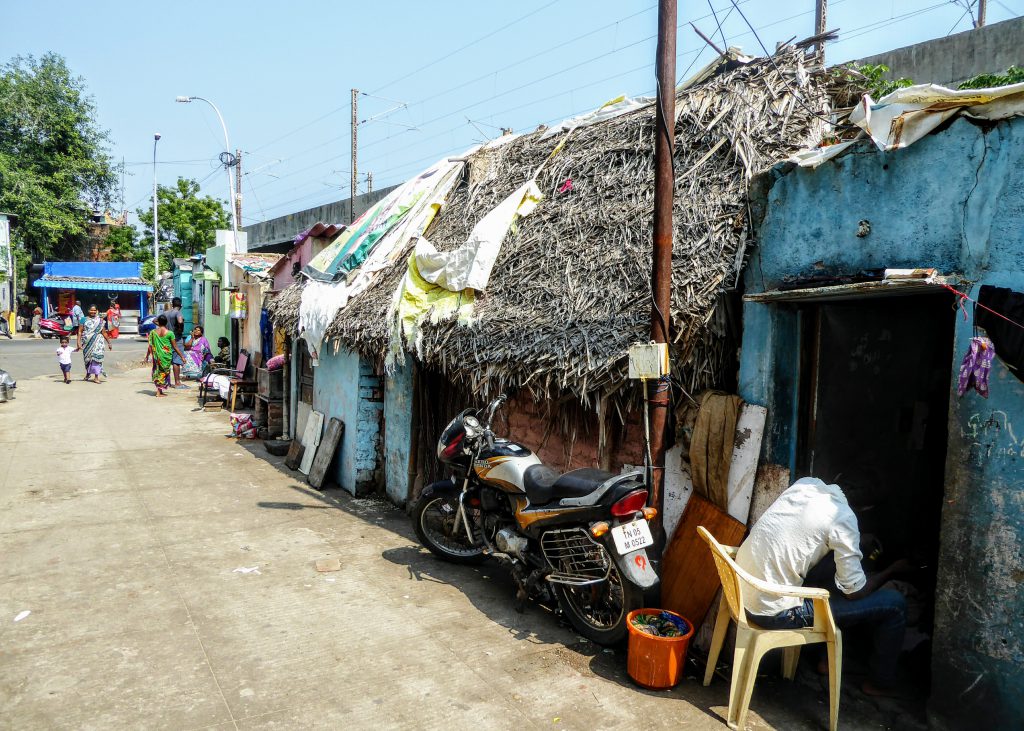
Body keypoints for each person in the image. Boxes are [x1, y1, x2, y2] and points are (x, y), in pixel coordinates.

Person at [736, 476, 911, 696]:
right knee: (894, 604)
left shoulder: (806, 484)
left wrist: (855, 541)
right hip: (774, 612)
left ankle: (826, 661)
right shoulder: (844, 519)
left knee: (835, 573)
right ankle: (879, 683)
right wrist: (891, 571)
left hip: (741, 590)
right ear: (866, 508)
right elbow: (854, 592)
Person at [145, 314, 187, 397]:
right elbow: (175, 347)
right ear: (166, 322)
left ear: (158, 322)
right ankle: (158, 392)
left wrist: (147, 356)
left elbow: (150, 346)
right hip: (166, 356)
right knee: (164, 372)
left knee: (158, 372)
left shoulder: (153, 332)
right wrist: (182, 356)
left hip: (157, 356)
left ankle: (159, 390)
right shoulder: (170, 333)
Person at [75, 305, 113, 382]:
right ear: (88, 310)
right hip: (86, 341)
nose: (93, 312)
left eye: (94, 310)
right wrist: (78, 343)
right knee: (87, 359)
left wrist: (109, 343)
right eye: (91, 310)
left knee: (96, 358)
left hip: (98, 341)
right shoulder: (83, 319)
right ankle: (88, 373)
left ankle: (96, 377)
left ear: (96, 311)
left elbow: (104, 332)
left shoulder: (100, 320)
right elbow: (79, 331)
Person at [162, 297, 186, 388]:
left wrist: (163, 328)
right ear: (180, 305)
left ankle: (165, 381)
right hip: (177, 339)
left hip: (167, 339)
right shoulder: (178, 312)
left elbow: (155, 320)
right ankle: (177, 382)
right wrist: (180, 328)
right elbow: (180, 320)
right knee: (176, 361)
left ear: (172, 304)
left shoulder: (165, 313)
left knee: (167, 360)